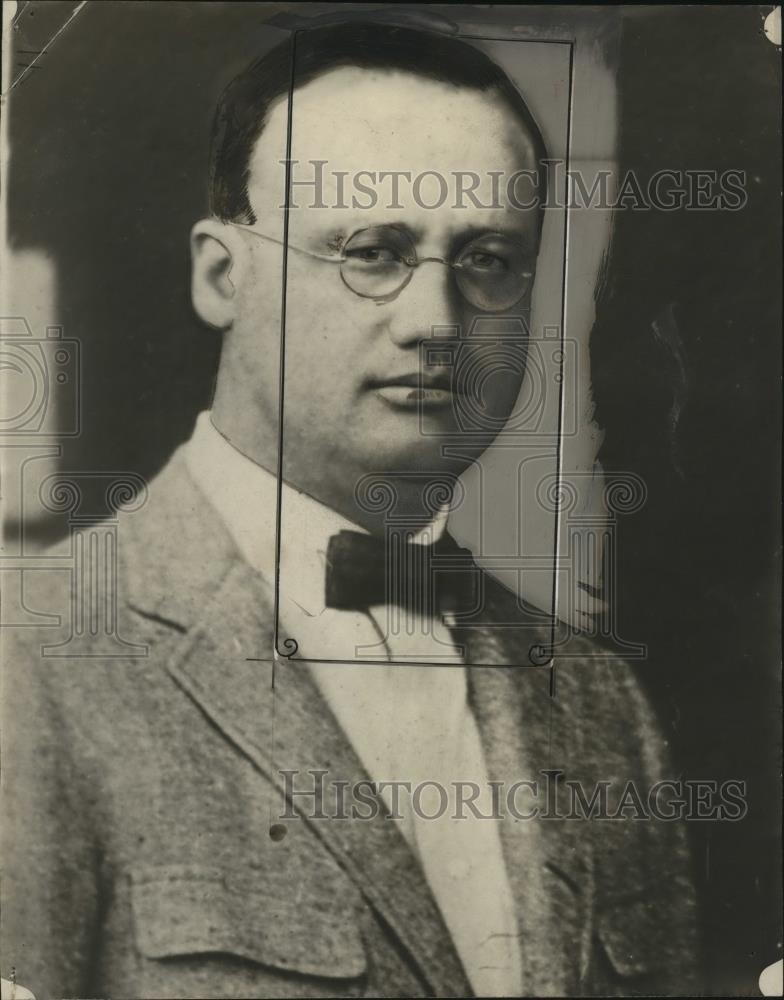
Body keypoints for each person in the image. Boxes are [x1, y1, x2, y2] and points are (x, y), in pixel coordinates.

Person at [1, 21, 698, 998]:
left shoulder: (598, 702)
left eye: (488, 259)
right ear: (221, 275)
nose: (434, 322)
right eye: (372, 250)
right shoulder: (28, 661)